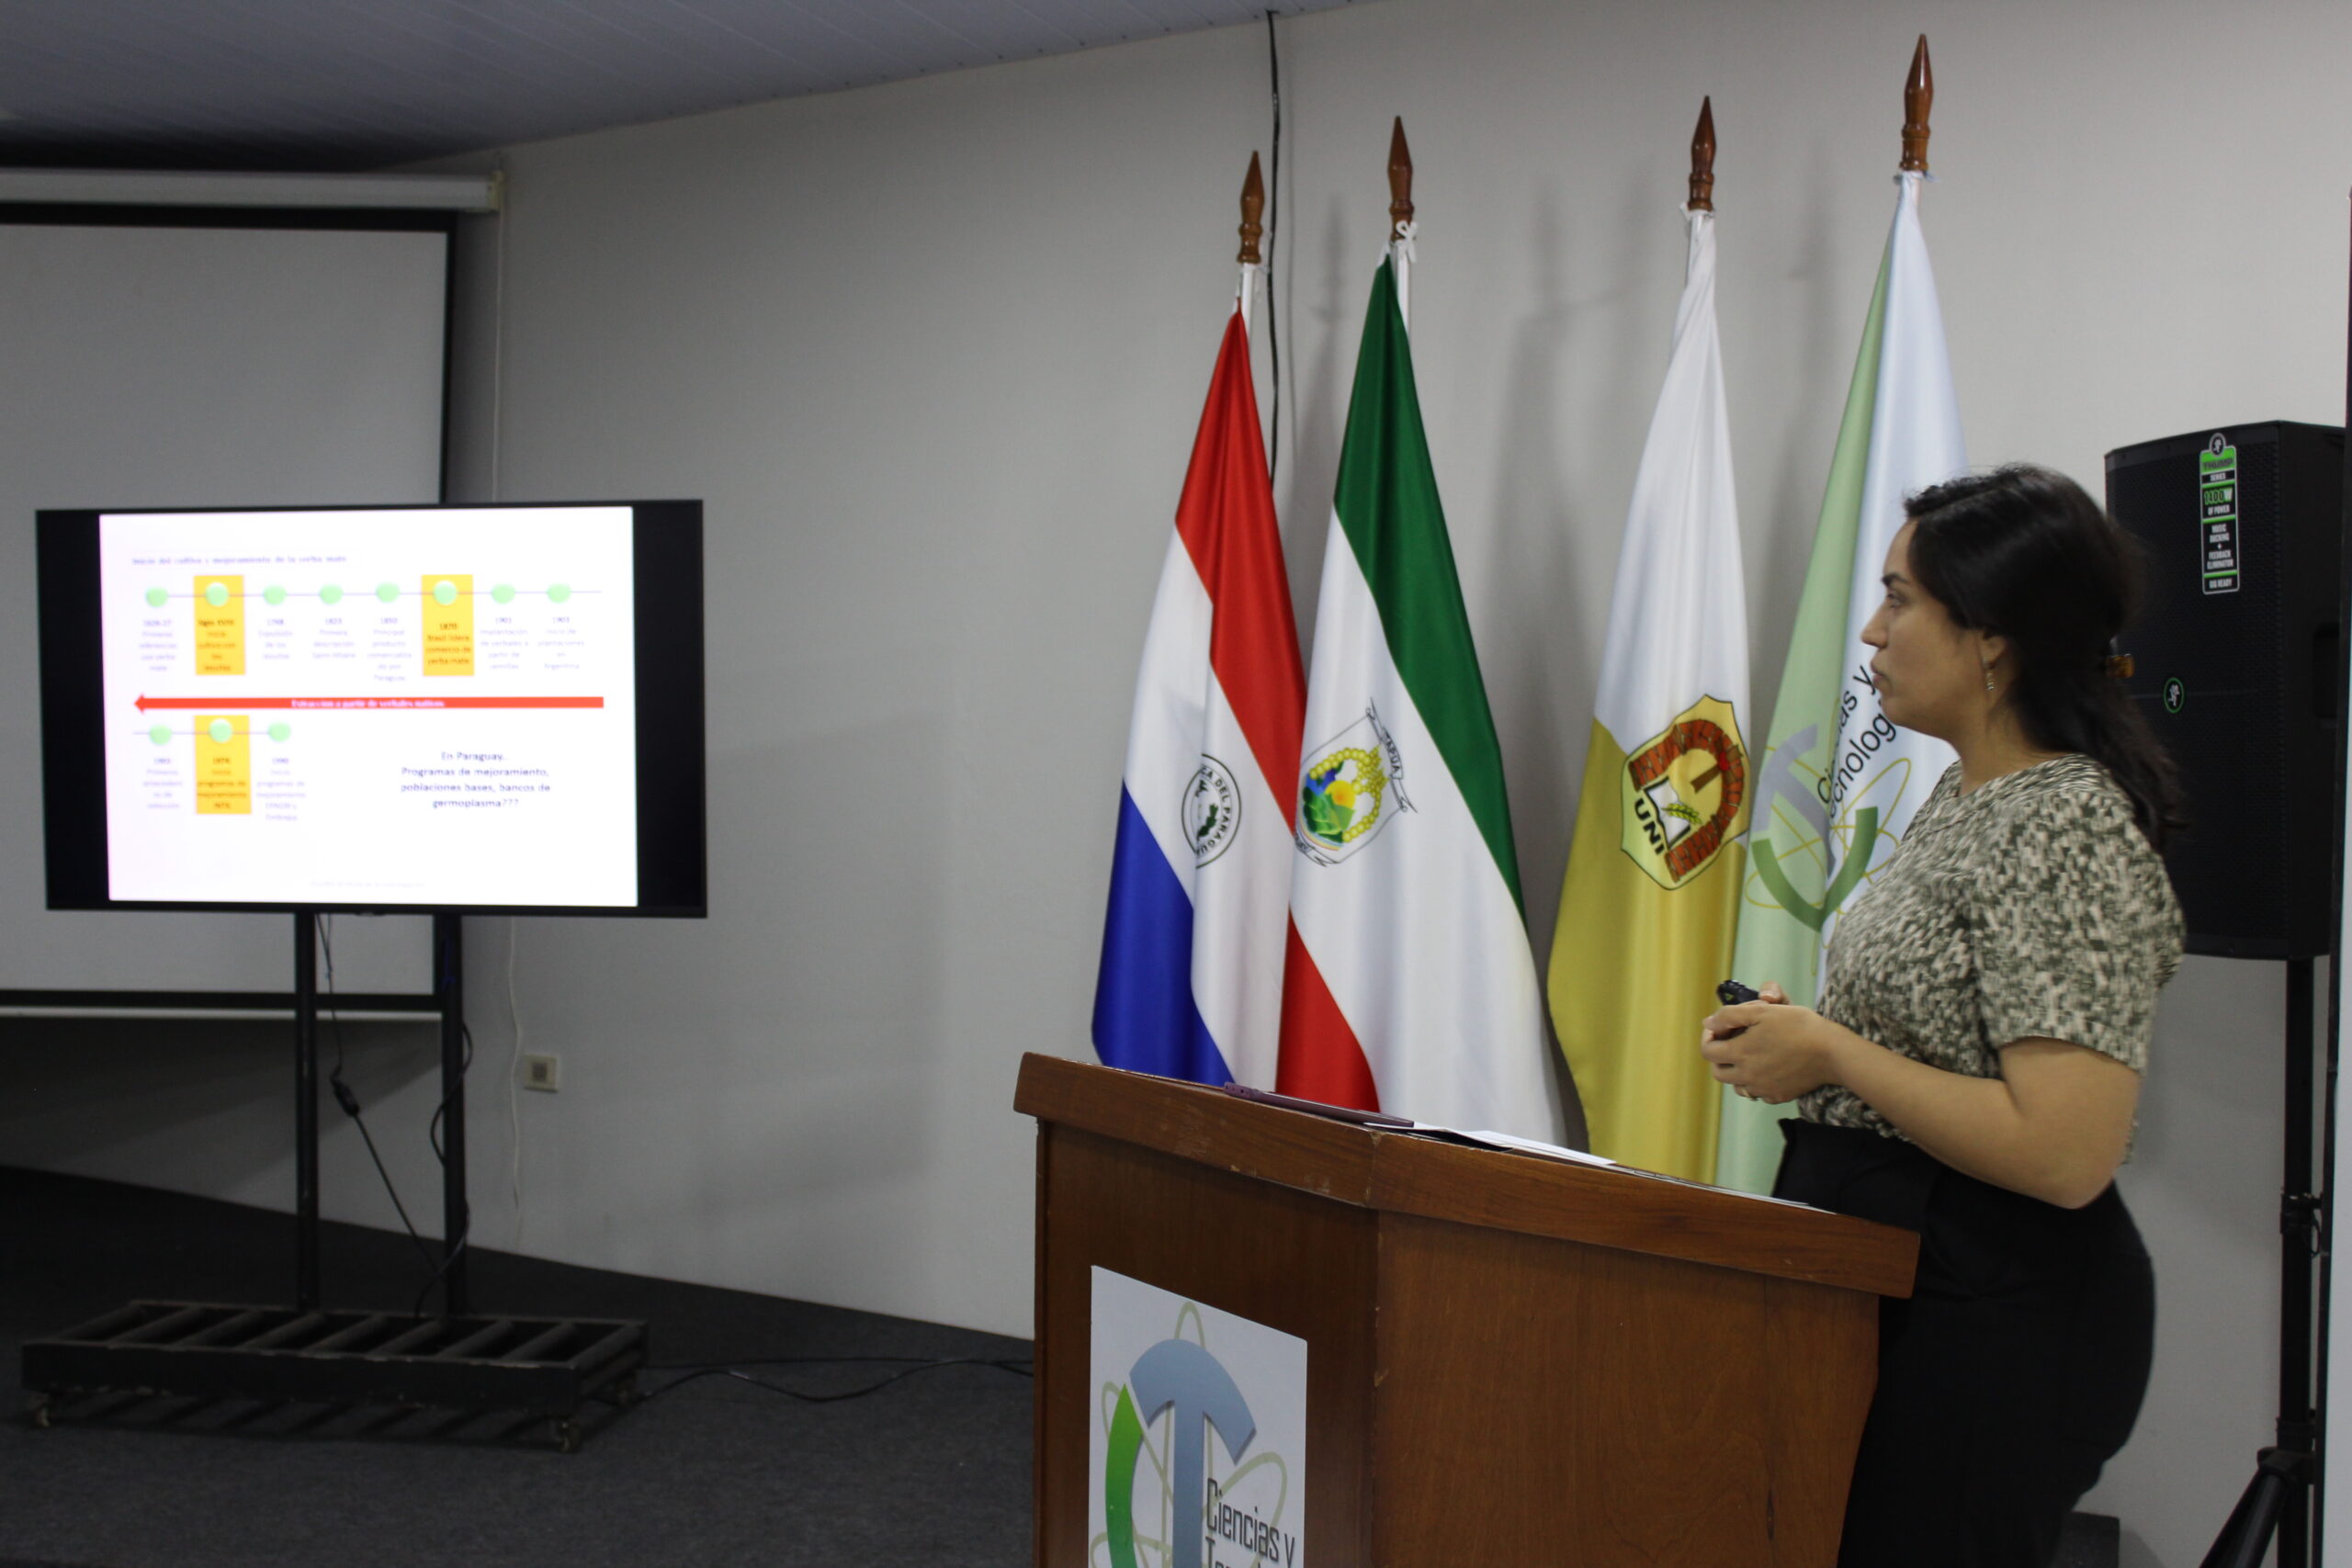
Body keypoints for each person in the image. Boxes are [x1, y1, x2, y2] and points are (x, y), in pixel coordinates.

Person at [1699, 464, 2186, 1568]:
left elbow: (2063, 1154)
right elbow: (1940, 1046)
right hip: (1907, 1271)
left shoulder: (2060, 823)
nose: (1871, 632)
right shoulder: (1964, 795)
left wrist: (1832, 1053)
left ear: (1992, 639)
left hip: (1995, 1306)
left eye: (1899, 599)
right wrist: (1807, 1043)